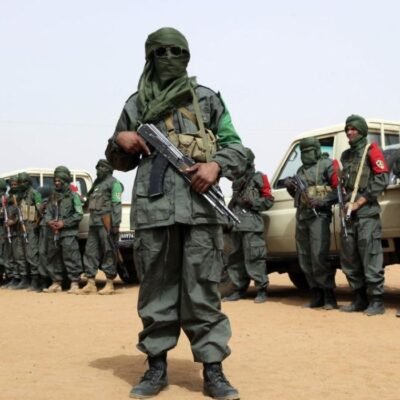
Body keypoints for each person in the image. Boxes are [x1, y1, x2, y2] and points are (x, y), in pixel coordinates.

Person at [105, 27, 247, 400]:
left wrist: (216, 165)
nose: (169, 58)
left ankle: (213, 370)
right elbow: (119, 160)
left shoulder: (207, 100)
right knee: (156, 290)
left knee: (203, 290)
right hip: (153, 211)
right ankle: (156, 367)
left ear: (187, 55)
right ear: (149, 57)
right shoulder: (136, 104)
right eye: (161, 51)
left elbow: (237, 147)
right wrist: (119, 140)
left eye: (177, 51)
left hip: (201, 210)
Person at [339, 114, 389, 316]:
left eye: (354, 129)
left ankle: (377, 300)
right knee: (350, 257)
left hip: (367, 212)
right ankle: (359, 298)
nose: (350, 132)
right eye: (348, 129)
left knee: (370, 255)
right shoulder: (346, 156)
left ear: (362, 131)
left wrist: (360, 201)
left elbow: (382, 179)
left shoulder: (372, 150)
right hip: (349, 214)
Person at [285, 138, 339, 310]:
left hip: (319, 216)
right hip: (302, 216)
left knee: (318, 255)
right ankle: (316, 294)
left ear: (316, 150)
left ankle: (328, 295)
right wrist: (290, 187)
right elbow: (298, 195)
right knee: (304, 256)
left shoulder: (327, 165)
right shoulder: (300, 170)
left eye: (308, 151)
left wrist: (322, 201)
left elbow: (339, 190)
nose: (305, 155)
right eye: (303, 152)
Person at [223, 148, 274, 303]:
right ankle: (239, 289)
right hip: (237, 225)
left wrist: (252, 202)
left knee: (255, 258)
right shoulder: (236, 181)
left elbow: (269, 200)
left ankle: (261, 290)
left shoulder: (258, 177)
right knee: (235, 259)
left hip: (252, 225)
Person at [79, 159, 123, 295]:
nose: (97, 170)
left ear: (107, 169)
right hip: (94, 224)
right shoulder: (97, 184)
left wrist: (115, 224)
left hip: (106, 224)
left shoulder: (114, 183)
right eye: (97, 168)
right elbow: (88, 203)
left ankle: (109, 284)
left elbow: (116, 204)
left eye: (100, 168)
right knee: (90, 252)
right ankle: (90, 283)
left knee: (109, 252)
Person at [43, 166, 83, 294]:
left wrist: (64, 223)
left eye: (59, 181)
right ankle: (56, 283)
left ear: (65, 181)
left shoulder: (74, 196)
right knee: (54, 258)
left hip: (68, 234)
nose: (56, 183)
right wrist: (49, 221)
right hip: (54, 233)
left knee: (71, 257)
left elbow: (79, 214)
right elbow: (47, 212)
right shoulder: (53, 197)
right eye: (55, 180)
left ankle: (75, 283)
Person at [9, 172, 42, 290]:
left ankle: (36, 280)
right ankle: (24, 279)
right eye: (20, 182)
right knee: (21, 255)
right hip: (20, 228)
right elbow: (18, 212)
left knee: (32, 255)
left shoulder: (34, 194)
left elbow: (40, 212)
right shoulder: (19, 195)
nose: (21, 184)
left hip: (31, 229)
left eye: (24, 182)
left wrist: (35, 225)